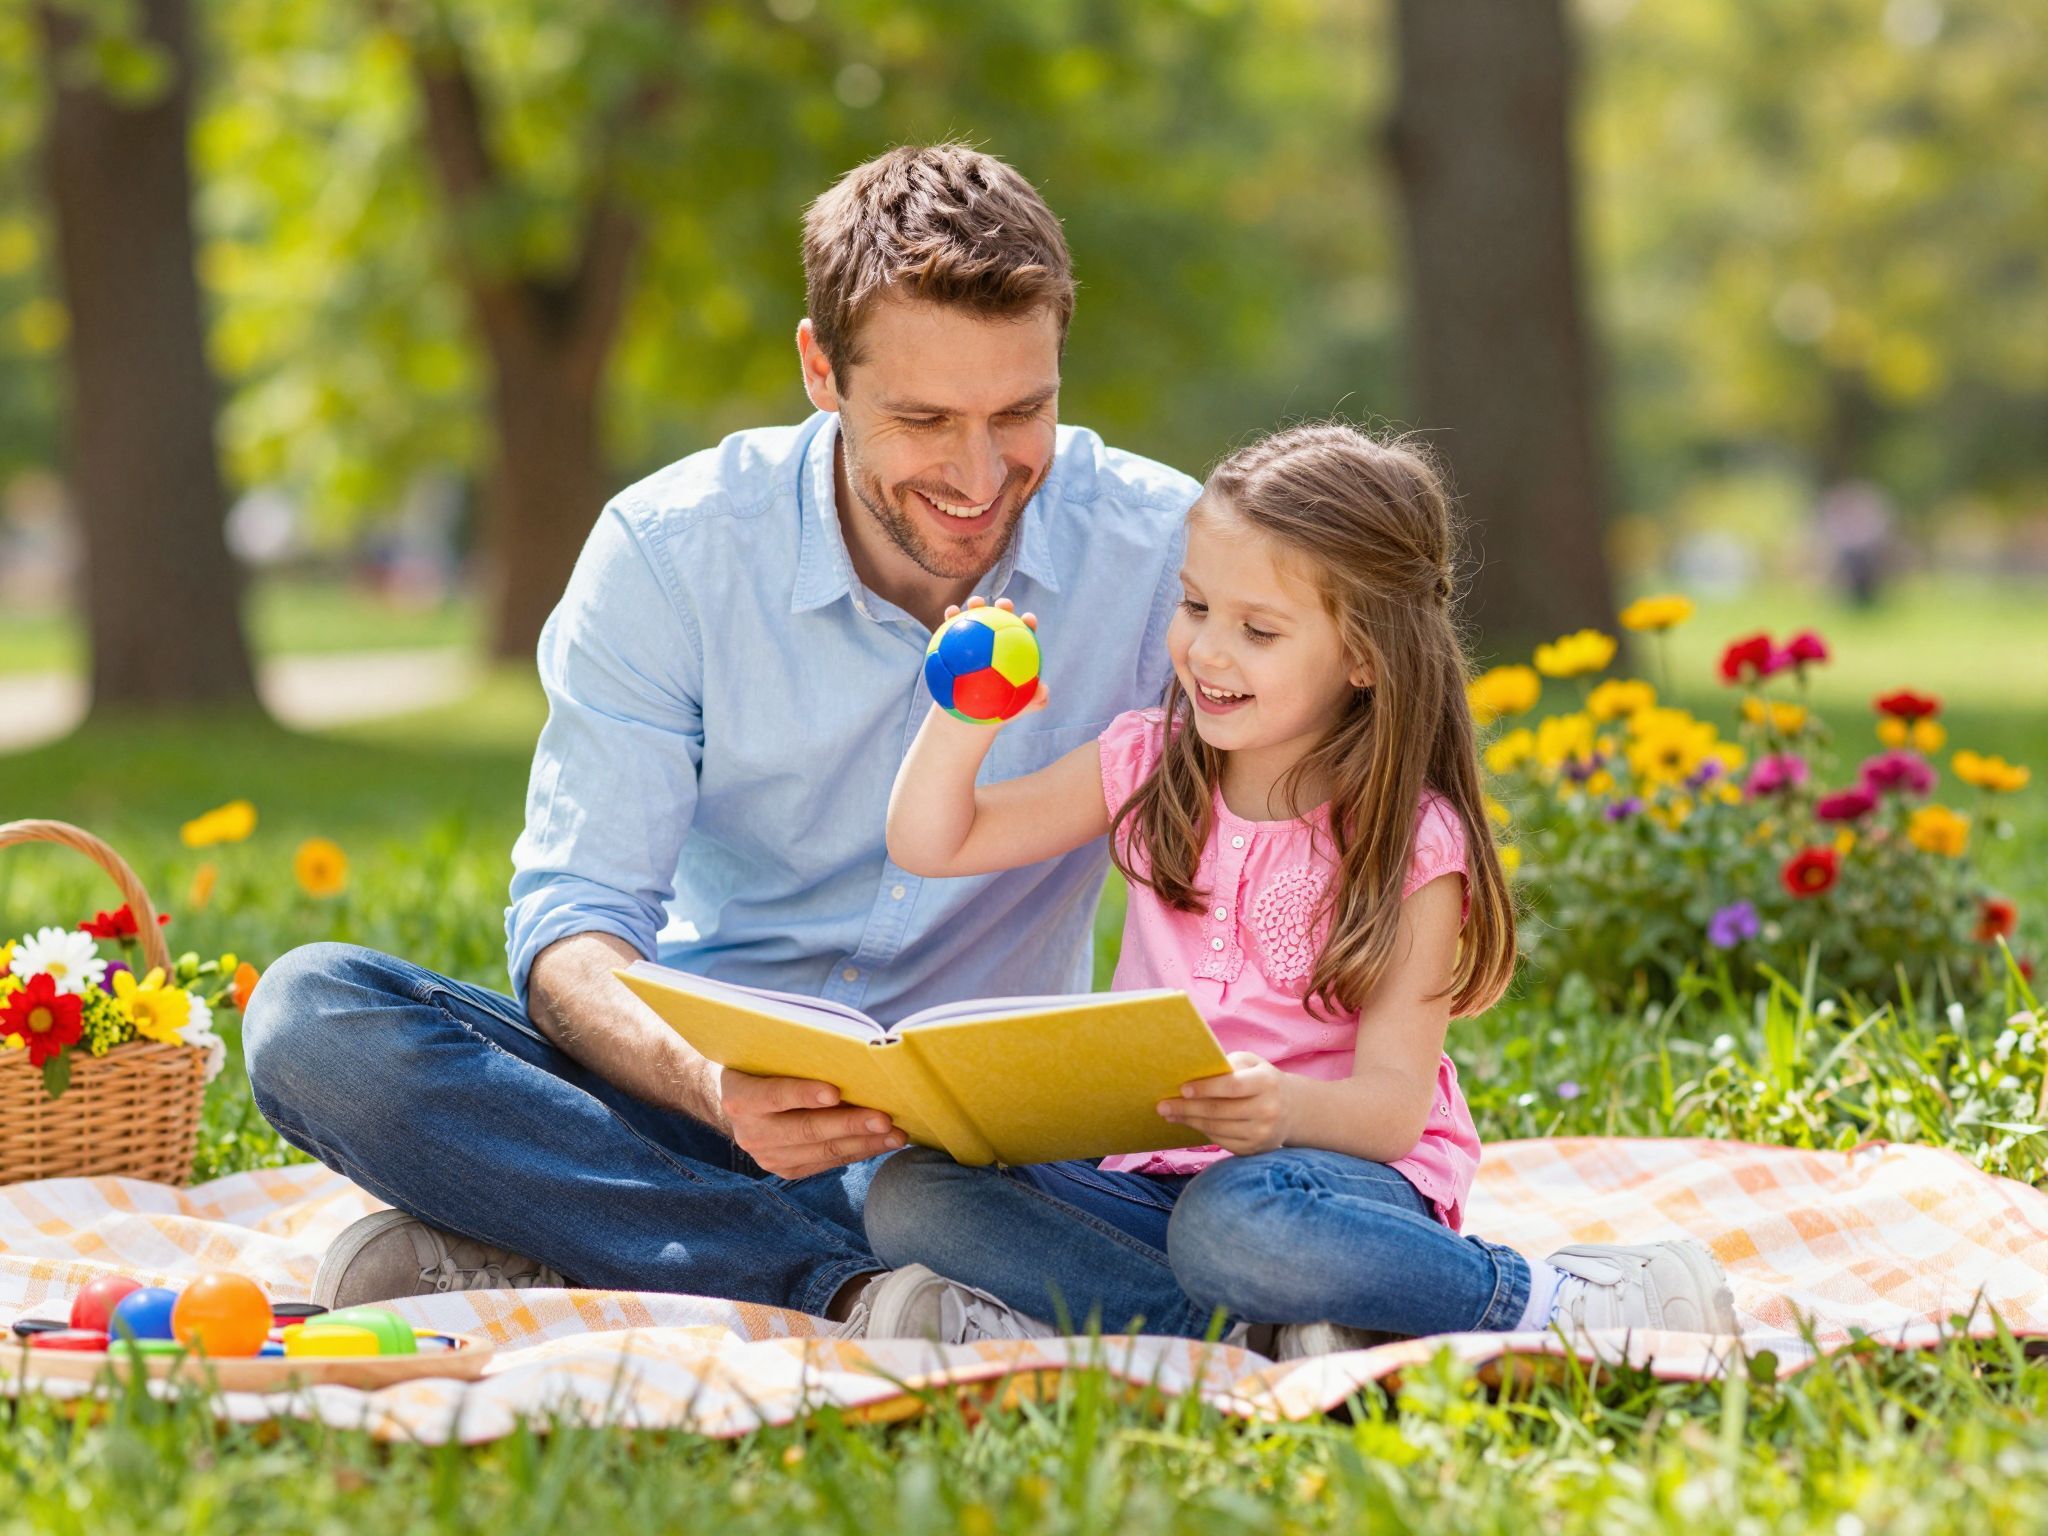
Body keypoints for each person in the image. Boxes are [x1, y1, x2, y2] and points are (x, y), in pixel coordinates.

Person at [240, 143, 1199, 1330]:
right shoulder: (670, 553)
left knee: (947, 1196)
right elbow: (573, 928)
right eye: (920, 419)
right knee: (316, 1019)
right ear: (819, 370)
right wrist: (712, 1085)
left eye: (1021, 412)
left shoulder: (1166, 556)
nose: (977, 472)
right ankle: (834, 1287)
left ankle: (582, 1240)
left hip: (980, 1156)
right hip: (693, 1104)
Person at [863, 424, 1740, 1354]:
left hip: (1327, 1181)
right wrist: (963, 717)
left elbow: (1395, 1108)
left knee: (1238, 1223)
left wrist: (1281, 1109)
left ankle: (1534, 1297)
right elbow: (934, 841)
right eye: (1195, 606)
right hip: (1153, 1177)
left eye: (1258, 630)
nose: (1207, 652)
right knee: (912, 1193)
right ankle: (1262, 1325)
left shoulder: (1409, 841)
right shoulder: (1150, 762)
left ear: (1364, 656)